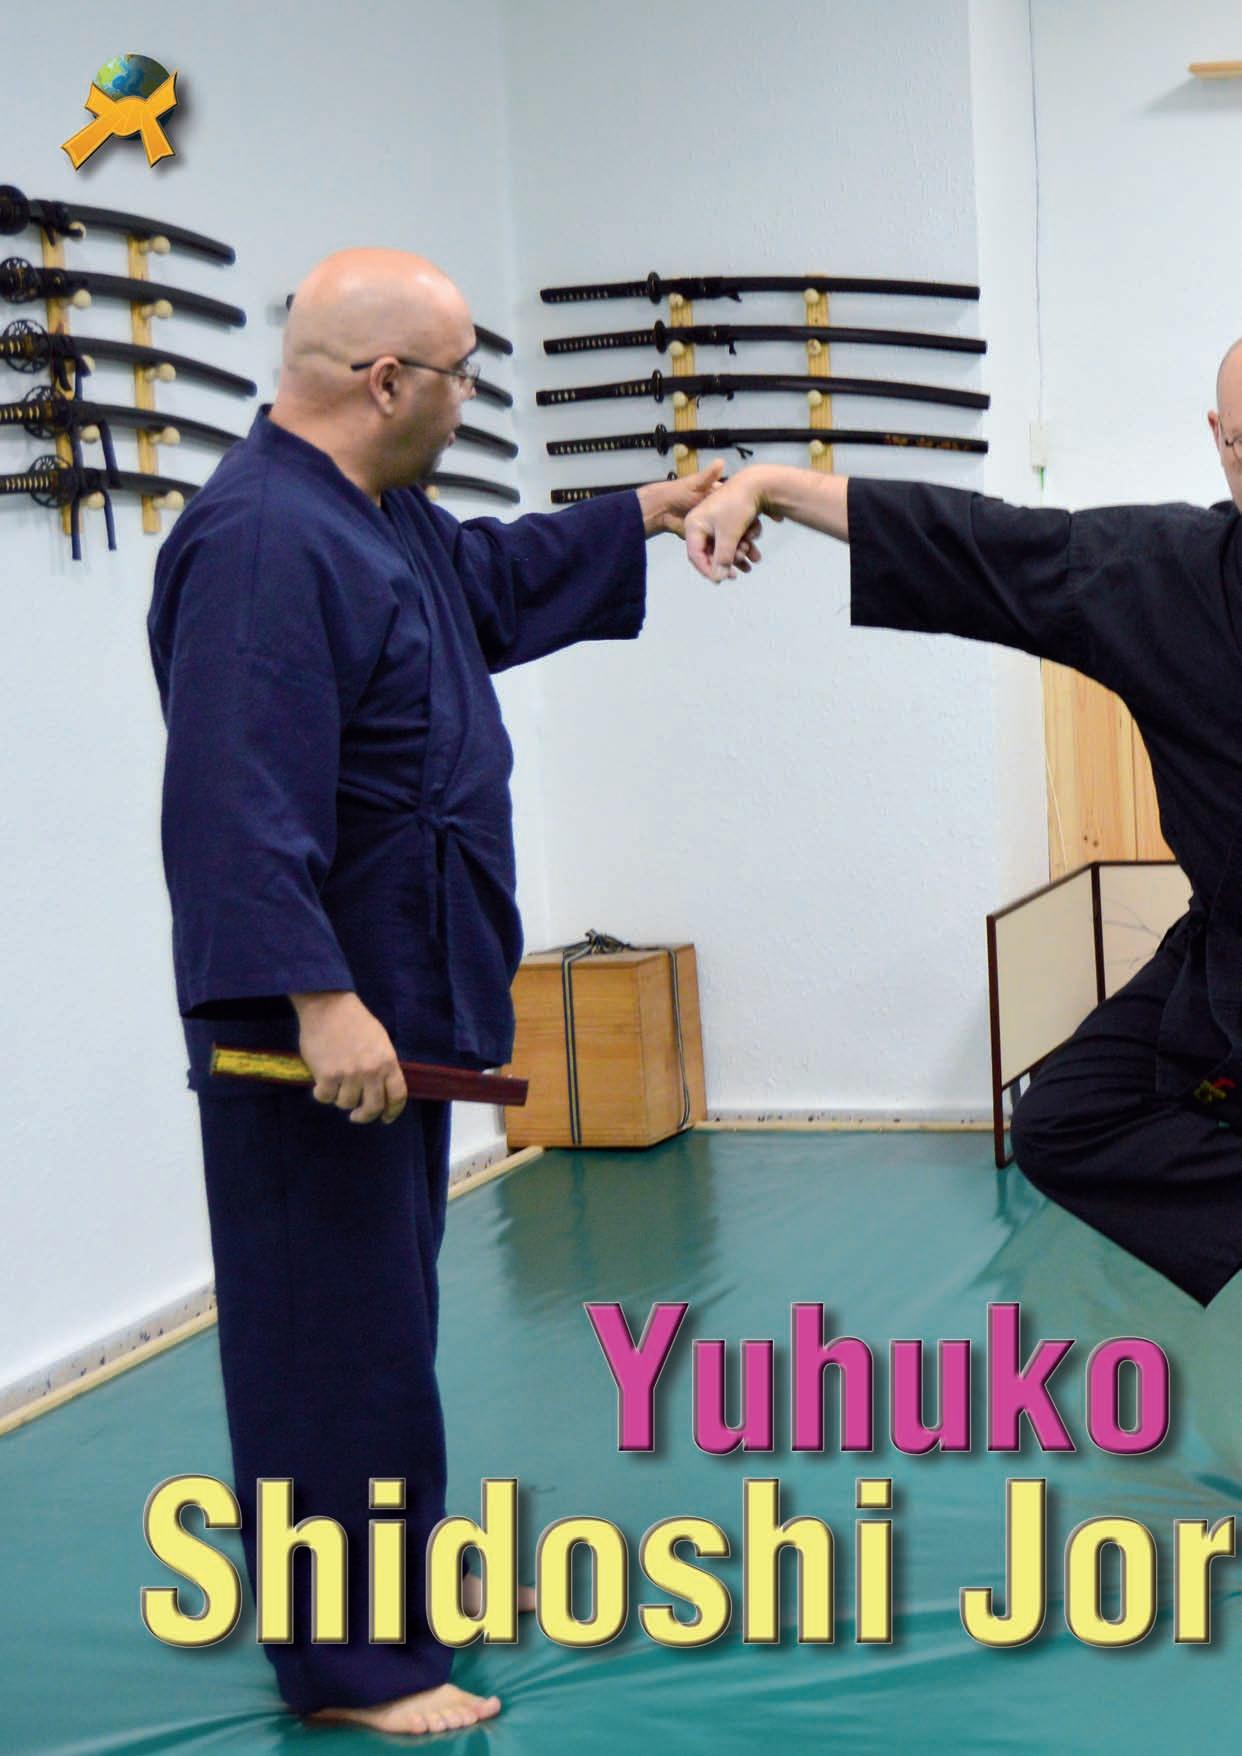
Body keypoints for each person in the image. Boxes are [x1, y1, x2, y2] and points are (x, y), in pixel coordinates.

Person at [148, 247, 757, 1737]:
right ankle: (351, 1668)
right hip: (316, 1036)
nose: (469, 399)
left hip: (400, 1004)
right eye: (462, 376)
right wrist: (315, 998)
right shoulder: (261, 542)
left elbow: (483, 583)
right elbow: (234, 796)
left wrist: (644, 508)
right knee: (325, 1344)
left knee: (380, 1322)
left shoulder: (372, 516)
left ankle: (397, 1588)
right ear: (385, 382)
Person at [683, 340, 1242, 1311]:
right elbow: (978, 542)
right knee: (1069, 1118)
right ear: (1217, 438)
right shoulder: (1165, 576)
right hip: (1228, 959)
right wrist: (772, 485)